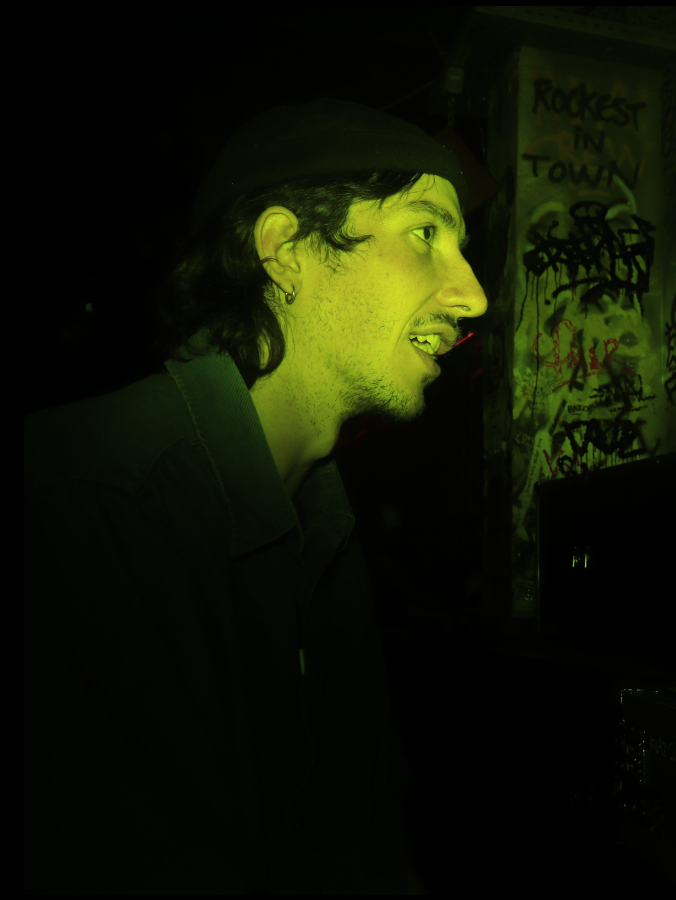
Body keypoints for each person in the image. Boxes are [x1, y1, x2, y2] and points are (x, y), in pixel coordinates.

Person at [24, 97, 487, 894]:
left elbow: (362, 838)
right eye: (424, 233)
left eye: (461, 248)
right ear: (285, 249)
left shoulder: (325, 531)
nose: (472, 296)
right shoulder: (90, 502)